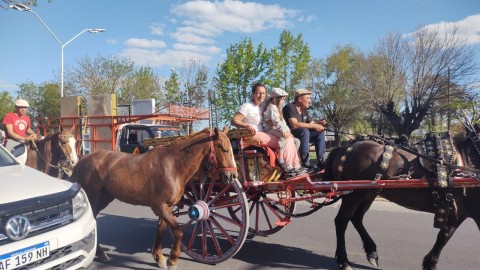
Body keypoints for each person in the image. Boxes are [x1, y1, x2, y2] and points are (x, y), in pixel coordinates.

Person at [230, 83, 305, 177]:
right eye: (258, 93)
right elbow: (234, 120)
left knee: (293, 139)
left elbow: (270, 118)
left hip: (264, 133)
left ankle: (295, 166)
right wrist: (245, 125)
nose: (261, 96)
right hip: (253, 133)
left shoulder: (263, 106)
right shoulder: (247, 106)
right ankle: (289, 167)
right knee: (286, 140)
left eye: (263, 93)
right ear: (253, 94)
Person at [261, 87, 306, 177]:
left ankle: (296, 164)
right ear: (276, 99)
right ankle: (288, 165)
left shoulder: (278, 108)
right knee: (287, 138)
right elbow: (276, 121)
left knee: (296, 141)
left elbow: (283, 122)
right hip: (270, 129)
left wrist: (288, 131)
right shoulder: (271, 107)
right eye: (282, 99)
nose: (283, 102)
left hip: (277, 128)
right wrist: (284, 132)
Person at [282, 89, 327, 171]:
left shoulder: (304, 110)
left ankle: (321, 161)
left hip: (304, 136)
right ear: (300, 99)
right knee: (304, 131)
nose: (310, 101)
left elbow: (312, 123)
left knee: (319, 132)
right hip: (291, 135)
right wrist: (314, 125)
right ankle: (305, 161)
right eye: (308, 98)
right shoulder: (289, 107)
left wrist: (319, 124)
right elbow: (294, 124)